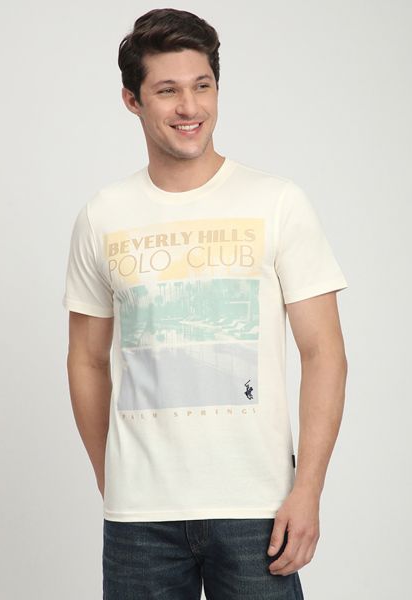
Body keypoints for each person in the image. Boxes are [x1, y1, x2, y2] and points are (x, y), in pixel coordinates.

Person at [62, 7, 348, 599]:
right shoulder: (102, 215)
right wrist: (112, 478)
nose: (189, 107)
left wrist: (308, 489)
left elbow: (324, 353)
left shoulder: (277, 202)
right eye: (167, 90)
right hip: (141, 518)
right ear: (132, 100)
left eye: (202, 86)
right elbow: (86, 359)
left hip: (259, 509)